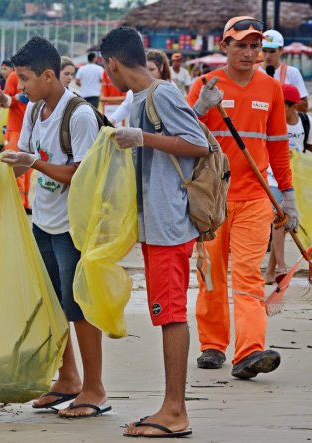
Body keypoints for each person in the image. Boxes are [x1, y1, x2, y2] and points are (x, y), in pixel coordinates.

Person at [101, 26, 209, 438]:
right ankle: (170, 406)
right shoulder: (141, 99)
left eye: (105, 66)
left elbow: (198, 143)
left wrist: (142, 137)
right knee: (166, 312)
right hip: (156, 223)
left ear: (111, 62)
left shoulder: (160, 94)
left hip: (170, 223)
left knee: (171, 314)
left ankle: (175, 411)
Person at [0, 36, 108, 420]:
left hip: (73, 227)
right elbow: (26, 158)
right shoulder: (33, 109)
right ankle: (67, 378)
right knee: (53, 304)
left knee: (78, 307)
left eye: (24, 78)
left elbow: (82, 175)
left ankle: (94, 388)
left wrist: (34, 164)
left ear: (48, 74)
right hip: (42, 221)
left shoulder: (79, 115)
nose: (19, 86)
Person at [188, 16, 298, 379]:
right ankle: (212, 345)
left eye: (255, 46)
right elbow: (181, 137)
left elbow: (280, 148)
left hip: (254, 199)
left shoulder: (271, 90)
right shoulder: (204, 85)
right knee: (211, 275)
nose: (250, 53)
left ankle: (249, 351)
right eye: (241, 45)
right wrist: (200, 109)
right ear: (225, 47)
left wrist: (288, 197)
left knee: (248, 275)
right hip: (211, 200)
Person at [264, 84, 310, 284]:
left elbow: (308, 147)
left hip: (295, 181)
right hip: (272, 178)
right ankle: (282, 267)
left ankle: (271, 271)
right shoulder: (270, 123)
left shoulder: (305, 122)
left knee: (283, 223)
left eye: (280, 105)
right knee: (279, 220)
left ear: (293, 106)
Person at [108, 50, 173, 126]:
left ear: (161, 67)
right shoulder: (136, 86)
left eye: (152, 69)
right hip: (138, 134)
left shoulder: (170, 87)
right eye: (145, 69)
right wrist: (111, 120)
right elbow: (126, 106)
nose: (148, 73)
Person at [260, 29, 309, 113]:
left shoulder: (292, 72)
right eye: (264, 51)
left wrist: (284, 100)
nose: (268, 56)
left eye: (272, 51)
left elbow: (304, 107)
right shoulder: (251, 71)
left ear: (281, 51)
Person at [3, 70, 30, 213]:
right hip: (15, 129)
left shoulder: (34, 74)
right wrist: (16, 98)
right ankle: (18, 204)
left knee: (29, 168)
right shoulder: (14, 77)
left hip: (30, 129)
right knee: (16, 167)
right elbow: (5, 101)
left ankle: (25, 203)